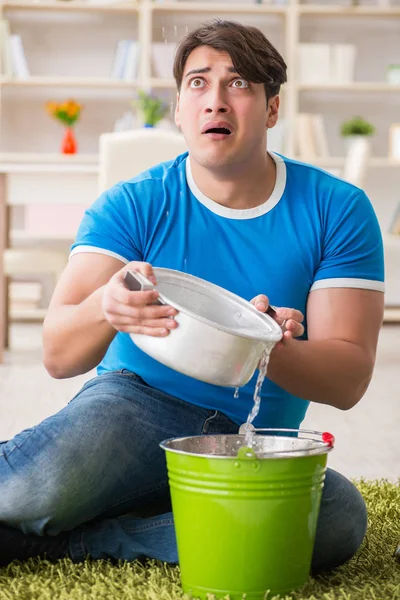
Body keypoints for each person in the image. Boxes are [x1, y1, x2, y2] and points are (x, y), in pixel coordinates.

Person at [0, 19, 384, 574]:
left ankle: (68, 541)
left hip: (248, 440)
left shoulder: (337, 209)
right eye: (198, 84)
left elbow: (348, 380)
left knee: (336, 520)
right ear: (178, 109)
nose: (216, 102)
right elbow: (59, 355)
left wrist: (266, 345)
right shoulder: (133, 203)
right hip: (132, 407)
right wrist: (105, 306)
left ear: (272, 109)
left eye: (239, 84)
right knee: (35, 486)